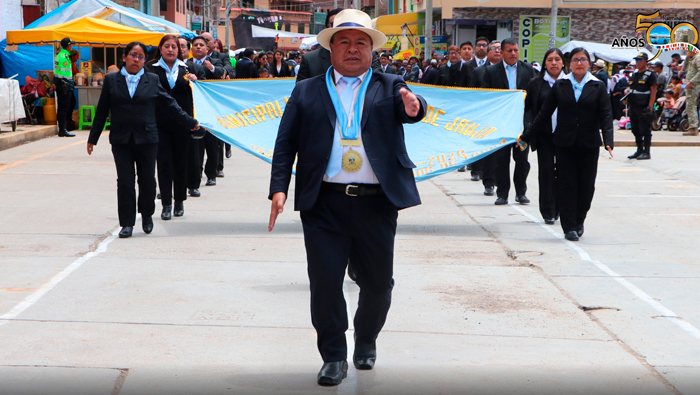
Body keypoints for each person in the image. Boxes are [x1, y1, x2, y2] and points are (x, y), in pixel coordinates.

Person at [267, 9, 426, 386]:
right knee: (324, 281)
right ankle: (334, 355)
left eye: (361, 42)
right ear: (331, 48)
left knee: (377, 284)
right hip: (324, 203)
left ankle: (366, 338)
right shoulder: (306, 90)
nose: (352, 49)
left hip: (376, 203)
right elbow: (285, 142)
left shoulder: (390, 85)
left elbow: (412, 107)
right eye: (344, 42)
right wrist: (278, 188)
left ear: (371, 49)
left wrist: (415, 108)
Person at [86, 41, 200, 238]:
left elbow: (170, 104)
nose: (136, 59)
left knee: (147, 180)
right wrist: (93, 138)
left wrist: (190, 122)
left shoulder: (152, 80)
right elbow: (103, 110)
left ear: (144, 60)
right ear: (124, 57)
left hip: (147, 139)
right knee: (125, 181)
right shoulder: (112, 80)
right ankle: (127, 223)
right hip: (121, 140)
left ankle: (147, 214)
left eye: (140, 56)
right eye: (133, 55)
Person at [520, 47, 613, 241]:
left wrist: (608, 140)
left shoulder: (597, 86)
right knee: (566, 184)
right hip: (564, 143)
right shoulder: (561, 85)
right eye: (576, 60)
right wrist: (527, 136)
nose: (579, 63)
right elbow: (544, 113)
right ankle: (569, 225)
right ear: (569, 64)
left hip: (588, 144)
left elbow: (605, 114)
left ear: (589, 64)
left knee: (586, 186)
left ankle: (580, 220)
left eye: (583, 60)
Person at [146, 35, 199, 221]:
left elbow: (198, 96)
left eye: (174, 47)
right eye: (166, 46)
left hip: (182, 123)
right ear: (160, 48)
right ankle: (166, 203)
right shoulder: (150, 69)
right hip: (159, 123)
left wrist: (195, 82)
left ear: (180, 50)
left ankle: (179, 201)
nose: (170, 50)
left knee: (181, 162)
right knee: (164, 163)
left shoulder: (188, 68)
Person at [481, 38, 534, 205]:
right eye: (509, 51)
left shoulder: (528, 70)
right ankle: (502, 194)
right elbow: (487, 98)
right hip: (502, 124)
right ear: (502, 53)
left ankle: (521, 192)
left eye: (515, 50)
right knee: (501, 160)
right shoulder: (491, 72)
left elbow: (534, 98)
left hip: (521, 125)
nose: (513, 53)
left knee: (522, 160)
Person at [525, 48, 567, 225]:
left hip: (567, 136)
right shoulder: (536, 84)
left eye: (557, 59)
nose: (554, 63)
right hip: (544, 136)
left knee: (564, 174)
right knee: (547, 173)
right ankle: (548, 210)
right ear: (545, 63)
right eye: (550, 59)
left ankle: (561, 207)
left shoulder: (571, 83)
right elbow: (528, 109)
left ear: (563, 63)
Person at [469, 40, 501, 193]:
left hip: (506, 116)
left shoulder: (513, 70)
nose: (497, 51)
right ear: (488, 53)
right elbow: (474, 94)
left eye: (500, 48)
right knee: (489, 151)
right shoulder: (480, 71)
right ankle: (488, 182)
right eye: (494, 48)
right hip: (486, 116)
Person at [296, 8, 343, 82]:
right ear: (326, 28)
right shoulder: (310, 60)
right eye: (334, 24)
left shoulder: (361, 59)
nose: (338, 28)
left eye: (342, 24)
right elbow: (301, 92)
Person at [626, 52, 657, 158]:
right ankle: (639, 149)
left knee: (645, 129)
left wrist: (650, 106)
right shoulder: (634, 74)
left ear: (645, 61)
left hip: (644, 106)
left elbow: (653, 90)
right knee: (635, 129)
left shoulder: (650, 74)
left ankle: (646, 151)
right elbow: (632, 89)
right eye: (636, 60)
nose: (638, 62)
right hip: (633, 106)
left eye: (640, 60)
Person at [54, 37, 76, 137]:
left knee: (63, 107)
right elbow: (60, 74)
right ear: (68, 46)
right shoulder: (63, 57)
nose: (72, 46)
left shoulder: (63, 56)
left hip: (63, 85)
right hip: (64, 86)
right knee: (63, 108)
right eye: (71, 45)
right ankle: (62, 129)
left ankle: (63, 129)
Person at [682, 49, 700, 136]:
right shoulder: (692, 58)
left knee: (691, 106)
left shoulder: (698, 57)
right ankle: (692, 126)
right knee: (689, 106)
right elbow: (684, 67)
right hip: (690, 87)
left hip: (693, 86)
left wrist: (691, 82)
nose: (686, 52)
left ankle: (693, 127)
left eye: (688, 50)